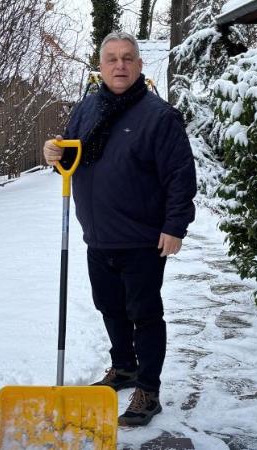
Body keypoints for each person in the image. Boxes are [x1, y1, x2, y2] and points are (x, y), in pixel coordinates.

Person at [43, 31, 197, 427]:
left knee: (144, 314)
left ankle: (148, 389)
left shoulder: (159, 116)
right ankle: (125, 367)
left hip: (143, 238)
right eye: (111, 58)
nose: (120, 65)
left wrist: (175, 226)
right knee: (109, 306)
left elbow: (180, 175)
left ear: (140, 65)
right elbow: (71, 157)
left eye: (128, 58)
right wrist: (54, 154)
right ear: (101, 66)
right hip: (98, 235)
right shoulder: (87, 108)